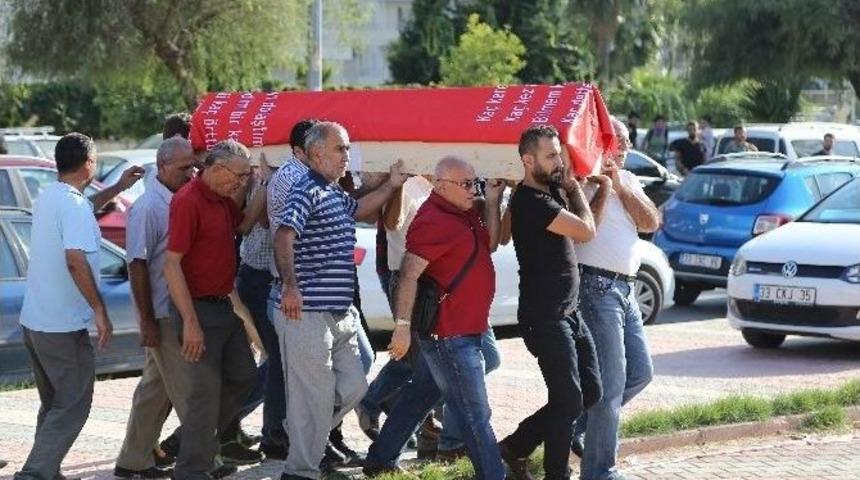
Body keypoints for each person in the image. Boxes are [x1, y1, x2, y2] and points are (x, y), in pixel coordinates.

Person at [272, 121, 407, 480]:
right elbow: (284, 236)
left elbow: (358, 210)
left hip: (339, 311)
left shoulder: (331, 191)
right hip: (306, 312)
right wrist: (290, 286)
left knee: (355, 387)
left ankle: (299, 429)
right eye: (341, 149)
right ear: (317, 153)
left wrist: (392, 185)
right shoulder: (305, 190)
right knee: (313, 399)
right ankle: (299, 470)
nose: (348, 155)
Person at [363, 156, 505, 479]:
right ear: (441, 186)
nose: (474, 190)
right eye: (466, 184)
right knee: (476, 415)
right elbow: (409, 275)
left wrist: (493, 201)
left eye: (475, 182)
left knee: (421, 394)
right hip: (449, 337)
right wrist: (401, 328)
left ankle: (379, 460)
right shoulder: (432, 219)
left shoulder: (465, 211)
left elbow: (492, 243)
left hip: (465, 329)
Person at [15, 133, 143, 480]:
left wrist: (116, 189)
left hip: (36, 322)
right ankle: (36, 472)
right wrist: (100, 310)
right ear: (88, 163)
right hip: (61, 326)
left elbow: (84, 208)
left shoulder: (50, 197)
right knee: (73, 404)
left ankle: (46, 468)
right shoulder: (71, 204)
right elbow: (75, 260)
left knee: (55, 404)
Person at [498, 125, 605, 480]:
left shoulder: (548, 192)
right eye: (550, 155)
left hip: (569, 312)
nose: (559, 161)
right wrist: (575, 191)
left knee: (590, 390)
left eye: (559, 153)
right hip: (544, 317)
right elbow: (587, 232)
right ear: (528, 160)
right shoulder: (532, 201)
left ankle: (515, 447)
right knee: (568, 399)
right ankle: (554, 473)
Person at [164, 140, 264, 480]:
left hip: (224, 308)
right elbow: (171, 265)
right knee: (204, 397)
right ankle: (191, 470)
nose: (241, 183)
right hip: (197, 311)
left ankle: (193, 444)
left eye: (246, 177)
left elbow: (243, 226)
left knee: (244, 377)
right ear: (217, 169)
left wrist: (262, 186)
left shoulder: (221, 200)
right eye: (239, 176)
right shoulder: (187, 201)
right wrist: (190, 322)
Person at [571, 117, 659, 480]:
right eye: (615, 142)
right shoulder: (583, 182)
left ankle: (570, 425)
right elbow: (585, 234)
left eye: (625, 143)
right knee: (609, 387)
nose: (622, 149)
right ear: (599, 145)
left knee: (640, 373)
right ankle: (600, 471)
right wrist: (606, 186)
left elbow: (651, 222)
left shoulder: (629, 180)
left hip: (626, 289)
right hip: (596, 288)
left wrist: (623, 187)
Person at [114, 137, 196, 479]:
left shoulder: (179, 199)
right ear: (162, 167)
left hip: (172, 309)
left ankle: (133, 460)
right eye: (182, 168)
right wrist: (147, 320)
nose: (190, 173)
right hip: (161, 313)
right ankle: (205, 460)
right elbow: (136, 265)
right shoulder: (148, 207)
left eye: (192, 166)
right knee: (190, 390)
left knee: (154, 391)